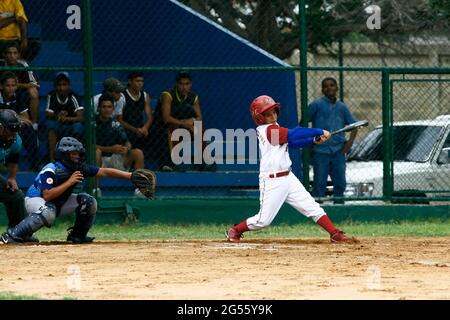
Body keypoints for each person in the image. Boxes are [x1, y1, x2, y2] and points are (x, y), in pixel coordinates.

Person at [225, 95, 352, 243]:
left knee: (311, 207)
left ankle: (334, 233)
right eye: (267, 114)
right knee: (263, 221)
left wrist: (312, 141)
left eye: (274, 112)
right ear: (259, 117)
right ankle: (235, 230)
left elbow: (291, 142)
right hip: (272, 180)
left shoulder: (275, 128)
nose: (272, 116)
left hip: (288, 178)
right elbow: (293, 133)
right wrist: (318, 131)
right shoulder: (267, 130)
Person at [0, 136, 136, 244]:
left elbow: (104, 172)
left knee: (89, 202)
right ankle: (12, 235)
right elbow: (47, 195)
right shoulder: (51, 169)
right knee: (48, 212)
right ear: (64, 154)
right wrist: (69, 182)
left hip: (56, 204)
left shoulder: (77, 168)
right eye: (73, 154)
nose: (77, 156)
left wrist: (130, 176)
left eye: (78, 154)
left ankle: (78, 236)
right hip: (35, 201)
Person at [307, 77, 358, 203]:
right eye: (326, 86)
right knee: (319, 182)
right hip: (320, 150)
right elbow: (303, 123)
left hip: (338, 151)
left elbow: (355, 126)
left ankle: (339, 206)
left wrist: (349, 143)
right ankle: (317, 210)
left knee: (340, 182)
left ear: (337, 88)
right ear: (322, 90)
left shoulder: (342, 107)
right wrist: (310, 141)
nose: (329, 88)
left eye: (332, 85)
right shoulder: (316, 105)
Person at [152, 71, 211, 171]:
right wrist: (186, 124)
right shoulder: (168, 95)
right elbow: (166, 118)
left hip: (181, 126)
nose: (184, 87)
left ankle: (202, 161)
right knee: (172, 127)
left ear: (191, 84)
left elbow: (199, 117)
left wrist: (192, 121)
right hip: (161, 127)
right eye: (181, 84)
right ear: (176, 84)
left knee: (199, 127)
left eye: (187, 84)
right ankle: (172, 162)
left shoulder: (193, 98)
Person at [95, 93, 144, 196]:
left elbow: (127, 142)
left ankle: (140, 190)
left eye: (109, 107)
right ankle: (95, 189)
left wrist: (126, 148)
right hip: (98, 161)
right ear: (99, 109)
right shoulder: (92, 123)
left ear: (113, 109)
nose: (106, 110)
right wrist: (109, 149)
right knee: (96, 152)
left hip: (114, 159)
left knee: (138, 153)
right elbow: (87, 145)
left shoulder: (116, 124)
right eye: (103, 107)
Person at [0, 109, 36, 242]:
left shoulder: (15, 140)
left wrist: (12, 177)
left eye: (16, 129)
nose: (14, 133)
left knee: (15, 195)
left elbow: (14, 158)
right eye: (10, 129)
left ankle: (17, 232)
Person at [0, 71, 39, 170]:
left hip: (14, 126)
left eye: (13, 85)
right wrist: (16, 116)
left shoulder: (19, 96)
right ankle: (3, 163)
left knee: (28, 128)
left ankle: (35, 164)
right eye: (7, 85)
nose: (10, 88)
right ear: (1, 86)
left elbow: (25, 118)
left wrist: (17, 118)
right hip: (1, 127)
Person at [45, 72, 84, 162]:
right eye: (59, 85)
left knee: (78, 126)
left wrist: (66, 118)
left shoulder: (74, 96)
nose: (61, 88)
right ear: (55, 86)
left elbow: (80, 117)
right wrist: (57, 116)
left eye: (64, 85)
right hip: (58, 125)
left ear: (69, 85)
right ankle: (52, 159)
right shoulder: (51, 95)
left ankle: (75, 157)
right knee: (50, 125)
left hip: (70, 126)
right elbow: (48, 114)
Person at [0, 42, 40, 127]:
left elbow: (35, 84)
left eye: (15, 53)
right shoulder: (1, 64)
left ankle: (34, 124)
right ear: (4, 54)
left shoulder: (23, 64)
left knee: (33, 92)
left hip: (20, 91)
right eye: (9, 53)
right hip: (2, 90)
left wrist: (17, 85)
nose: (12, 56)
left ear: (18, 55)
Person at [118, 71, 152, 156]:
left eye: (142, 81)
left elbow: (150, 117)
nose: (140, 84)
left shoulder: (145, 95)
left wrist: (145, 127)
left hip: (140, 128)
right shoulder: (122, 96)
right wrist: (135, 130)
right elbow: (119, 120)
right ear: (130, 81)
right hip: (127, 128)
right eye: (137, 81)